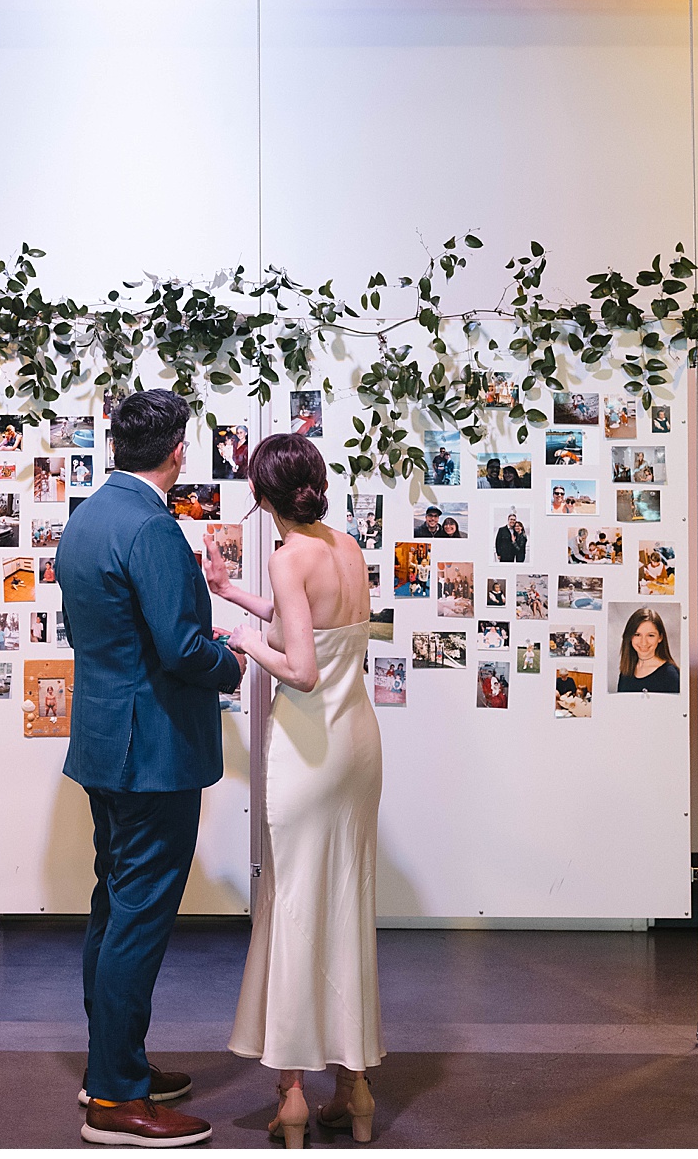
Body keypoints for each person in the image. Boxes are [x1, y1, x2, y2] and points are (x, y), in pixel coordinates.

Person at [56, 389, 244, 1148]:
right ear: (177, 451)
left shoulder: (88, 518)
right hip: (154, 754)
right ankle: (115, 1098)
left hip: (106, 743)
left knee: (114, 906)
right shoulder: (153, 528)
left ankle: (114, 1063)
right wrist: (231, 659)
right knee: (138, 916)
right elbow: (181, 648)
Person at [204, 432, 383, 1148]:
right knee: (345, 906)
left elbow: (302, 668)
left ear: (258, 495)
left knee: (294, 912)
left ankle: (292, 1098)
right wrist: (233, 594)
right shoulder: (344, 547)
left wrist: (244, 640)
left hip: (310, 750)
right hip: (359, 746)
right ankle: (357, 1089)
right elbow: (315, 623)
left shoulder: (286, 556)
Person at [615, 607, 680, 693]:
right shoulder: (626, 671)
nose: (644, 642)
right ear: (630, 637)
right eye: (637, 634)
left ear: (660, 637)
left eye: (650, 635)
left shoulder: (670, 675)